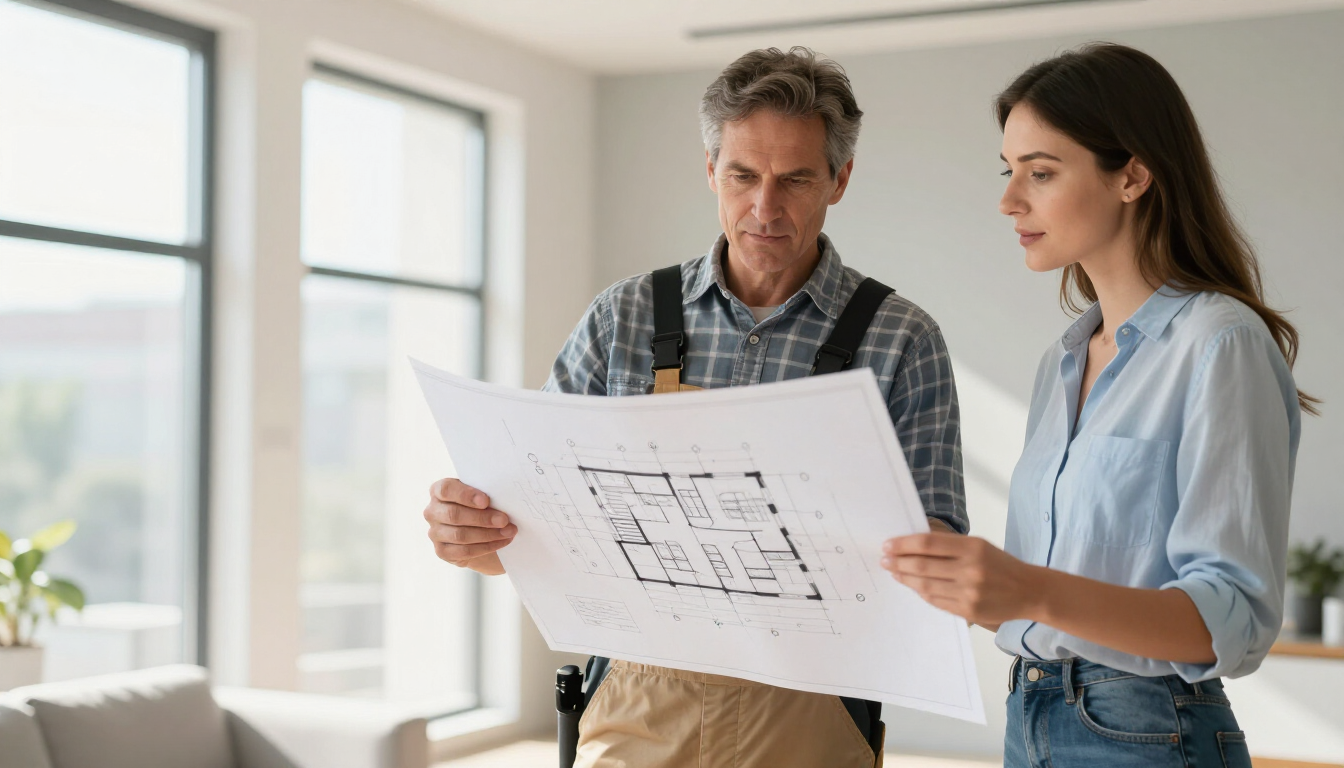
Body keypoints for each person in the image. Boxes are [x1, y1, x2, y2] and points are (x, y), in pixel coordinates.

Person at [424, 47, 968, 767]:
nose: (764, 208)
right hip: (636, 708)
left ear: (840, 179)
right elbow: (540, 537)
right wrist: (477, 538)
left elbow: (942, 561)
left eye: (795, 179)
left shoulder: (901, 339)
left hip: (812, 715)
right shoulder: (623, 317)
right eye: (743, 175)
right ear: (710, 169)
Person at [882, 43, 1314, 768]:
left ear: (1133, 175)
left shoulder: (1219, 345)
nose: (1009, 200)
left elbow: (1228, 622)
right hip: (1031, 718)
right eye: (1009, 170)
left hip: (1146, 732)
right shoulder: (1063, 361)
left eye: (1042, 173)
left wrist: (1030, 589)